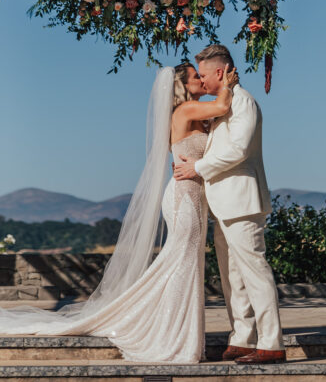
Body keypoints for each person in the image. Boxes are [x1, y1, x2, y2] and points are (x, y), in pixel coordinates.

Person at [0, 62, 237, 364]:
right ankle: (174, 338)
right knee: (183, 264)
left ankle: (180, 332)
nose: (201, 81)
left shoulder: (190, 114)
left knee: (185, 264)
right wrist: (228, 79)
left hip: (191, 196)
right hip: (184, 199)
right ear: (182, 85)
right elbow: (224, 104)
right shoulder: (186, 111)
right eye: (195, 77)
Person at [174, 44, 286, 364]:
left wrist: (197, 168)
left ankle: (271, 342)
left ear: (221, 72)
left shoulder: (244, 102)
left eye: (206, 74)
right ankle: (242, 336)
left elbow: (238, 150)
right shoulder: (222, 105)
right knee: (232, 278)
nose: (203, 81)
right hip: (222, 204)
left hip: (242, 202)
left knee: (255, 272)